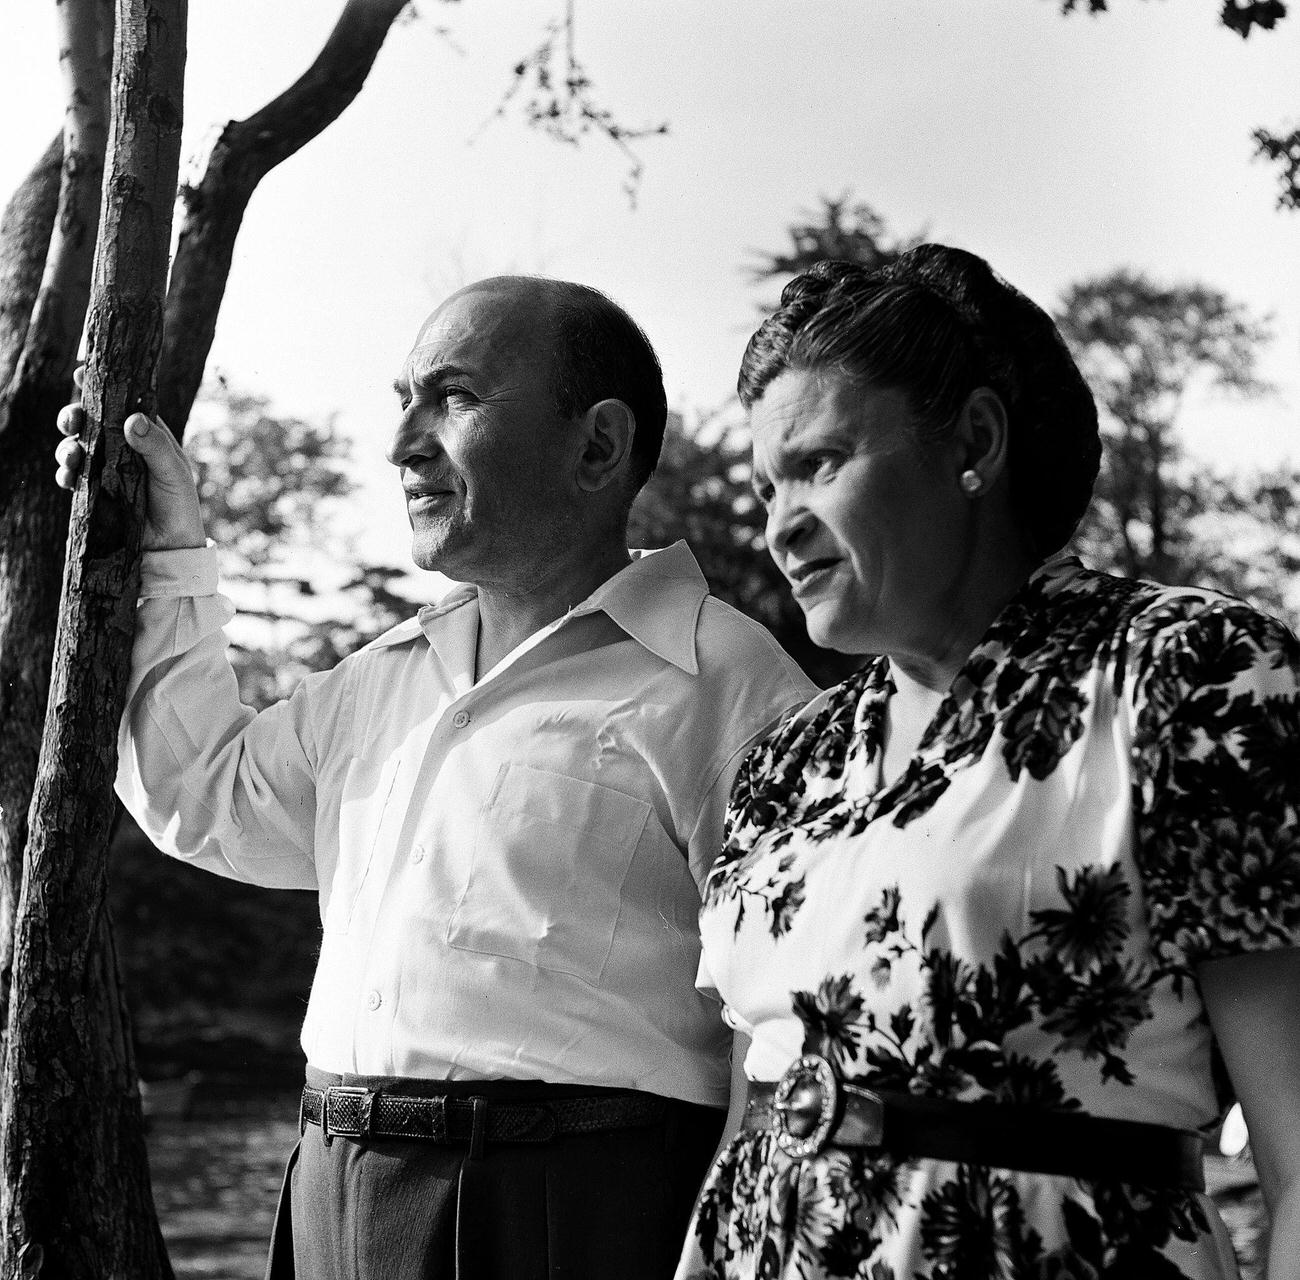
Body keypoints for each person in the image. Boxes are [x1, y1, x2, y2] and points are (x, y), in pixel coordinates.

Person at [55, 276, 815, 1279]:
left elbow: (792, 1033)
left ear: (597, 443)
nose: (402, 441)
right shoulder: (380, 677)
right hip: (329, 1186)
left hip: (572, 1213)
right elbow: (201, 792)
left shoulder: (733, 683)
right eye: (402, 399)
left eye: (451, 398)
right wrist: (169, 544)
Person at [674, 247, 1300, 1280]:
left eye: (819, 463)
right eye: (763, 483)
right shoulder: (788, 760)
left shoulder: (1189, 674)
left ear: (974, 439)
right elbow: (765, 1102)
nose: (778, 523)